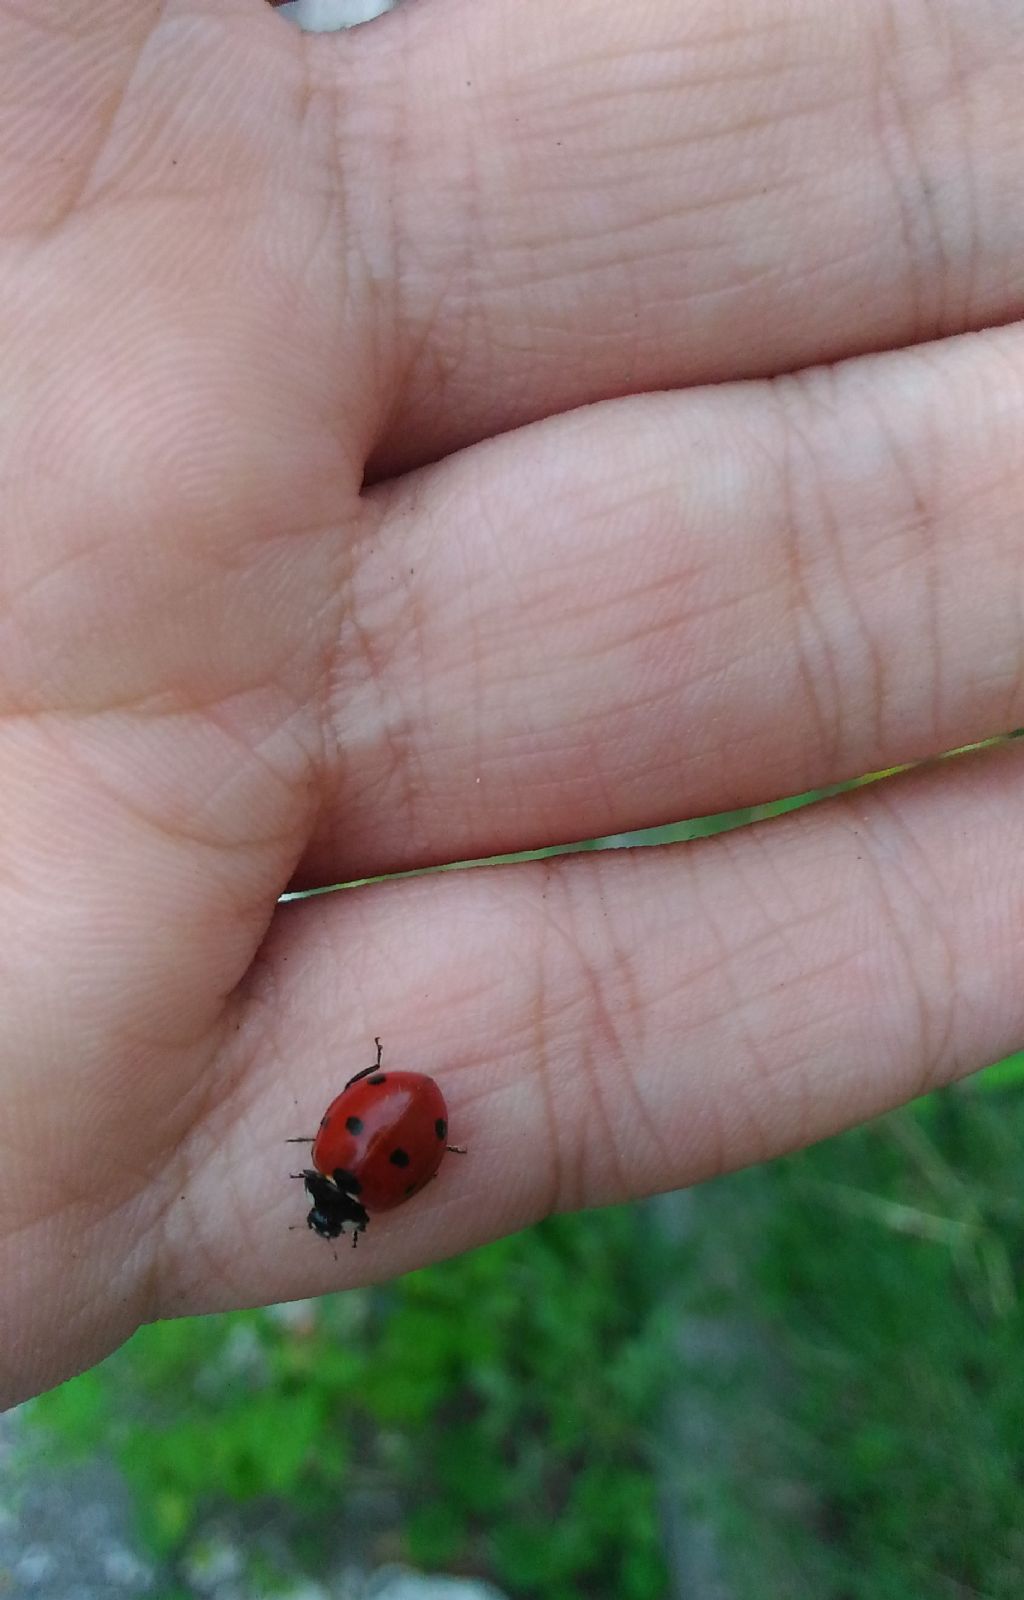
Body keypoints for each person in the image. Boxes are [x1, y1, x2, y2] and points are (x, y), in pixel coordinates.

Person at [2, 0, 1022, 1409]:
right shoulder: (341, 1141)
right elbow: (388, 1115)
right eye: (346, 1188)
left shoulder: (358, 1152)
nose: (347, 1181)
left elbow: (397, 1121)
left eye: (343, 1184)